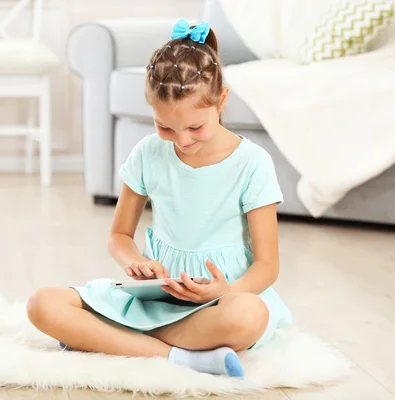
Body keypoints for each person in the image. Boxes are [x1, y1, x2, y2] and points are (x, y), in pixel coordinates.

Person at [26, 18, 292, 378]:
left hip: (220, 302)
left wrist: (229, 290)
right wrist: (135, 262)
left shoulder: (252, 163)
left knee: (249, 317)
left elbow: (267, 266)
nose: (181, 140)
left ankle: (111, 339)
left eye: (196, 127)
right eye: (165, 126)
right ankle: (182, 357)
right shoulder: (148, 154)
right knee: (41, 305)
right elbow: (119, 236)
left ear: (221, 101)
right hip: (155, 297)